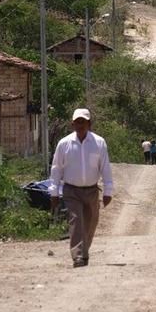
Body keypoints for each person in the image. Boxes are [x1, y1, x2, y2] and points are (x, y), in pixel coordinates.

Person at [49, 108, 113, 268]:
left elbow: (105, 167)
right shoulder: (64, 144)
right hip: (71, 190)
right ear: (72, 124)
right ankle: (78, 257)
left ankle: (84, 252)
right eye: (77, 122)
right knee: (76, 221)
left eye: (83, 122)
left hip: (92, 190)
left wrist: (108, 191)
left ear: (89, 124)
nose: (80, 125)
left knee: (91, 223)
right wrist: (54, 192)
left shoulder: (99, 143)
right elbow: (56, 168)